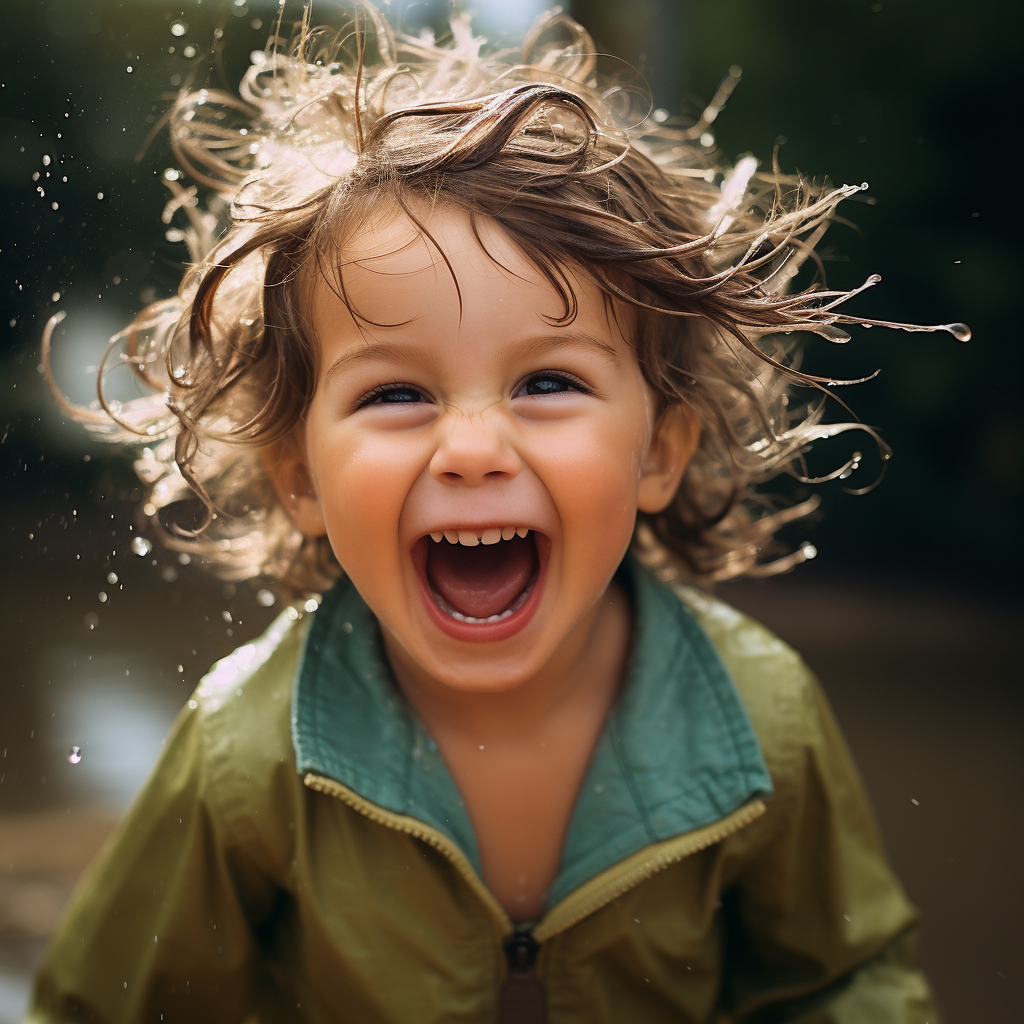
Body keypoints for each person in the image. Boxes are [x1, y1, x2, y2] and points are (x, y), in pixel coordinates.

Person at [31, 5, 953, 1021]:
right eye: (395, 395)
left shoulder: (760, 725)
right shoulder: (245, 754)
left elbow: (846, 978)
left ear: (659, 450)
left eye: (547, 383)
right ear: (300, 477)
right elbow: (104, 1000)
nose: (472, 449)